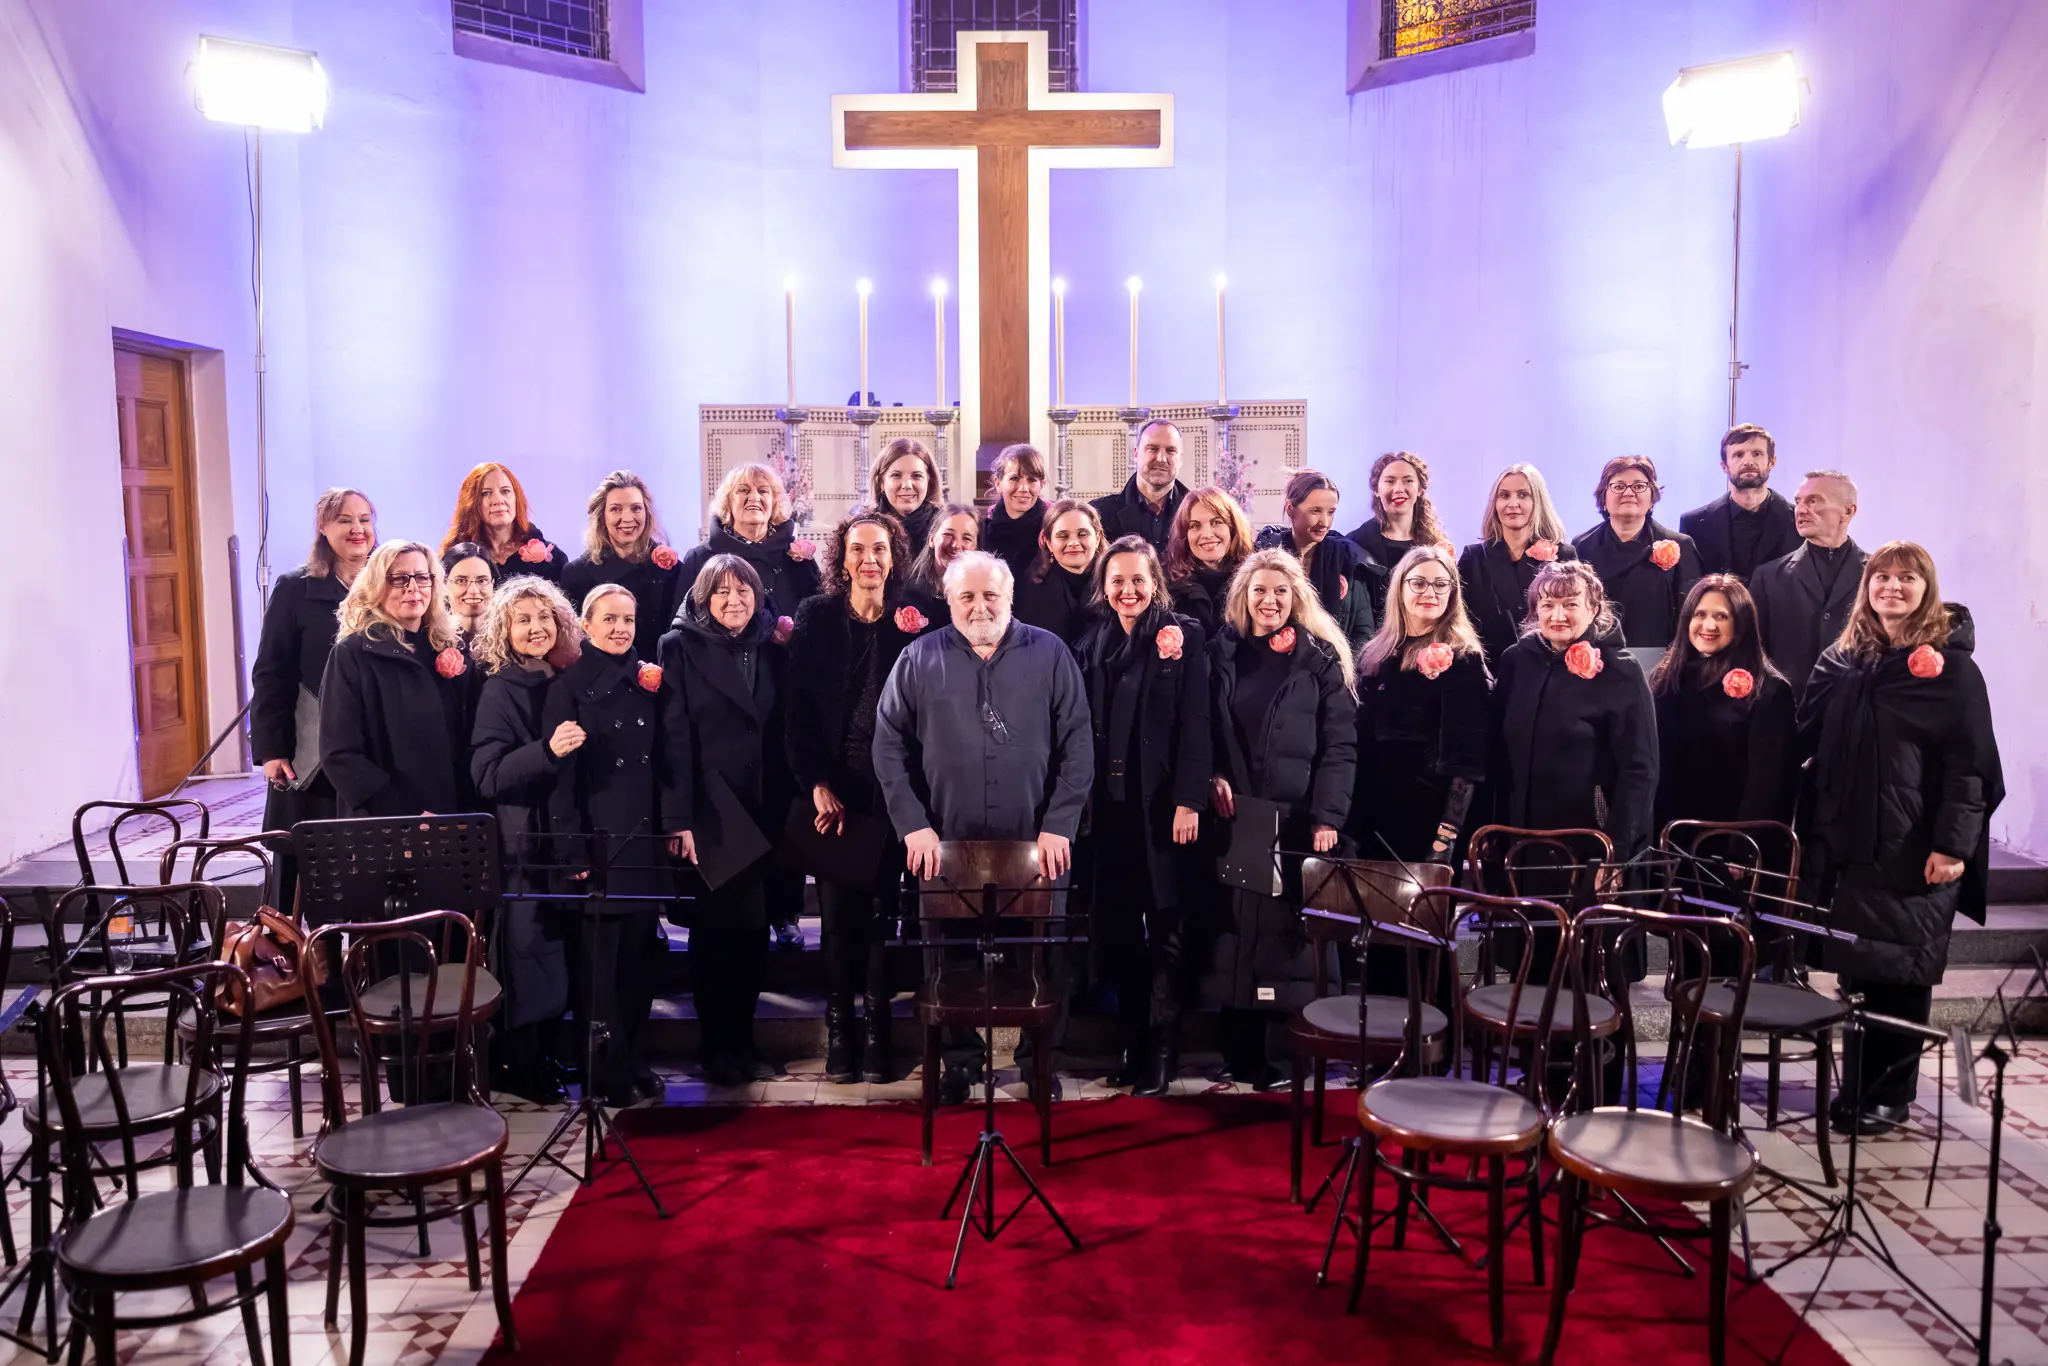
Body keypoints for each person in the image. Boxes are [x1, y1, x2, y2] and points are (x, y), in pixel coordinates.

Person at [871, 551, 1092, 1103]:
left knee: (1041, 957)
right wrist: (912, 825)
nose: (979, 606)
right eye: (966, 596)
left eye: (990, 595)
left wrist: (1060, 823)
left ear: (1009, 597)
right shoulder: (918, 658)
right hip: (946, 844)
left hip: (1036, 843)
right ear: (949, 600)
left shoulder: (1051, 653)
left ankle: (1039, 1061)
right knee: (948, 958)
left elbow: (1079, 743)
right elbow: (887, 743)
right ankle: (960, 1064)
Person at [1801, 542, 2003, 1133]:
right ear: (1866, 588)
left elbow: (1971, 767)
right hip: (1852, 844)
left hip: (1913, 845)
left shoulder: (1951, 670)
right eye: (1881, 577)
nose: (1892, 587)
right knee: (1861, 971)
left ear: (1926, 588)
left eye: (1906, 578)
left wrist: (1954, 845)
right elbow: (1808, 736)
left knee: (1903, 970)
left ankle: (1890, 1093)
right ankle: (1858, 1086)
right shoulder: (1849, 659)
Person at [785, 512, 933, 1084]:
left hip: (893, 789)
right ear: (841, 558)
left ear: (894, 557)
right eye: (857, 549)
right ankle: (840, 1029)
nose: (869, 559)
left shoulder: (917, 615)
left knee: (880, 914)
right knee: (837, 915)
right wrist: (816, 783)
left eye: (879, 549)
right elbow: (797, 712)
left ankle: (877, 1031)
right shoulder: (817, 616)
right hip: (836, 789)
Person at [1203, 549, 1358, 1089]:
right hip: (1236, 819)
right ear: (1242, 596)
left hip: (1296, 822)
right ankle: (1239, 1053)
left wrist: (1328, 815)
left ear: (1296, 598)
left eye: (1280, 592)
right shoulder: (1220, 652)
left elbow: (1340, 746)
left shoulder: (1319, 661)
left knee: (1286, 942)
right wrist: (1211, 776)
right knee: (1235, 937)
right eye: (1259, 591)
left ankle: (1287, 1056)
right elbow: (1202, 730)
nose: (1269, 601)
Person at [1072, 537, 1210, 1095]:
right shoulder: (1092, 643)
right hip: (1110, 813)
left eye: (1138, 580)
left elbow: (1198, 723)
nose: (1128, 591)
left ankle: (1161, 1050)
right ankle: (1132, 1041)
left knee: (1168, 928)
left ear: (1155, 583)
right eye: (1118, 581)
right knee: (1121, 930)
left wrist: (1190, 799)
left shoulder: (1184, 637)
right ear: (1104, 587)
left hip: (1165, 808)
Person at [659, 556, 794, 1089]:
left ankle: (743, 1038)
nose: (734, 600)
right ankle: (715, 1044)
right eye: (721, 591)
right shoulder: (678, 647)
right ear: (702, 598)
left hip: (762, 810)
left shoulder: (772, 645)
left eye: (744, 591)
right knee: (715, 935)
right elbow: (673, 739)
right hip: (711, 810)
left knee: (754, 933)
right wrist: (678, 817)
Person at [543, 583, 678, 1104]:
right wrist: (571, 848)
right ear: (587, 624)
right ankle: (604, 1072)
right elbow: (561, 782)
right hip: (598, 843)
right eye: (610, 619)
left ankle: (634, 1059)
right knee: (599, 971)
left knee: (638, 965)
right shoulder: (569, 686)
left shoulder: (647, 681)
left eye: (629, 619)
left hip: (640, 843)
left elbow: (664, 759)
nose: (621, 629)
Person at [469, 576, 583, 1101]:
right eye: (523, 620)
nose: (537, 628)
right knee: (526, 954)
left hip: (563, 843)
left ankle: (548, 1056)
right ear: (504, 630)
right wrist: (547, 752)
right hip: (522, 846)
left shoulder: (567, 678)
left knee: (556, 954)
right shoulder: (500, 689)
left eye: (545, 618)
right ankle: (520, 1064)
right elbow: (487, 775)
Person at [251, 487, 376, 913]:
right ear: (323, 527)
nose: (357, 529)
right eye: (345, 520)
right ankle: (293, 952)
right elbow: (272, 672)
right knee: (298, 867)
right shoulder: (295, 588)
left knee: (363, 867)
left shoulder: (388, 585)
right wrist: (272, 749)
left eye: (364, 519)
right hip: (309, 752)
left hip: (367, 749)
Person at [1491, 560, 1657, 865]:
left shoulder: (1621, 670)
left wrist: (1616, 853)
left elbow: (1640, 770)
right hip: (1516, 840)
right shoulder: (1516, 661)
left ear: (1593, 609)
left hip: (1589, 845)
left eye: (1570, 604)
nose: (1557, 616)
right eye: (1547, 605)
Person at [318, 541, 482, 823]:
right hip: (385, 821)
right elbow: (340, 755)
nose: (413, 587)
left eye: (421, 577)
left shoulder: (449, 648)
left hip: (450, 814)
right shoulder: (352, 654)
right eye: (399, 578)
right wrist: (407, 813)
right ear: (377, 586)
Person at [1348, 546, 1490, 869]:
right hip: (1372, 817)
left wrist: (1446, 836)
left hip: (1427, 821)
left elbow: (1466, 761)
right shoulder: (1376, 655)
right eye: (1419, 583)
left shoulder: (1463, 659)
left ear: (1452, 593)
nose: (1430, 592)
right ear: (1400, 587)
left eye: (1441, 584)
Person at [1647, 574, 1797, 831]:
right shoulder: (1665, 679)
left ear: (1741, 624)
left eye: (1721, 616)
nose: (1708, 625)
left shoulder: (1769, 690)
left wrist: (1741, 844)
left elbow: (1767, 786)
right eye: (1700, 614)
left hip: (1729, 838)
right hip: (1666, 834)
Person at [1750, 470, 1867, 699]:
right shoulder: (1767, 577)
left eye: (1814, 501)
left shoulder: (1877, 576)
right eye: (1798, 502)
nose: (1801, 510)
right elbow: (1752, 653)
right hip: (1788, 711)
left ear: (1848, 511)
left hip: (1855, 709)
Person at [1571, 456, 1703, 655]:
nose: (1628, 493)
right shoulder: (1582, 546)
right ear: (1603, 498)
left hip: (1659, 659)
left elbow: (1691, 614)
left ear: (1652, 498)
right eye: (1618, 486)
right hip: (1596, 658)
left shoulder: (1680, 545)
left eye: (1639, 486)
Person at [1458, 464, 1579, 668]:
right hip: (1488, 670)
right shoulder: (1473, 557)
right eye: (1504, 495)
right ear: (1495, 504)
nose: (1513, 503)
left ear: (1537, 501)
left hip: (1548, 669)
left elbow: (1575, 618)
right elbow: (1459, 620)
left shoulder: (1563, 555)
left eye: (1523, 495)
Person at [560, 470, 684, 663]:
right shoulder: (577, 574)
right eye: (616, 509)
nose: (627, 518)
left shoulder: (671, 569)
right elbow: (573, 644)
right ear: (602, 516)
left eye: (636, 508)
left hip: (660, 673)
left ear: (647, 513)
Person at [675, 463, 822, 622]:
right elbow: (682, 625)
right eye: (744, 490)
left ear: (774, 502)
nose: (754, 498)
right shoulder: (700, 558)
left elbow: (819, 620)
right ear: (728, 502)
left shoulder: (799, 559)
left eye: (763, 491)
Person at [1255, 470, 1375, 653]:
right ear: (1290, 508)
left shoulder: (1346, 560)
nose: (1324, 522)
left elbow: (1363, 631)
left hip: (1336, 664)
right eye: (1315, 511)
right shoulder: (1265, 561)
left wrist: (1340, 664)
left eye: (1331, 512)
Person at [1678, 424, 1801, 581]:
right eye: (1738, 455)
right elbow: (1689, 587)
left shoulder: (1799, 522)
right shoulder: (1693, 524)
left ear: (1772, 462)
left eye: (1757, 453)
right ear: (1724, 466)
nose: (1748, 461)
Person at [1347, 451, 1451, 622]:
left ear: (1420, 489)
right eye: (1390, 481)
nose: (1399, 489)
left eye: (1408, 481)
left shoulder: (1437, 546)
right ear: (1376, 490)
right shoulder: (1354, 545)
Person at [440, 461, 568, 585]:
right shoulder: (453, 561)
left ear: (517, 498)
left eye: (505, 491)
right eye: (485, 493)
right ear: (470, 503)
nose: (498, 500)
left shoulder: (553, 559)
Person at [1164, 485, 1256, 637]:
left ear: (1232, 527)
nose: (1207, 534)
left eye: (1216, 522)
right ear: (1184, 535)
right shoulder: (1166, 583)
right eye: (1195, 526)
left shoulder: (1257, 576)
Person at [1013, 498, 1105, 645]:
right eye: (1063, 536)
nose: (1073, 543)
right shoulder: (1030, 591)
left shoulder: (1117, 583)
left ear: (1098, 538)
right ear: (1048, 542)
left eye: (1083, 534)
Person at [1091, 419, 1189, 552]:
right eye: (1152, 449)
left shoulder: (1197, 512)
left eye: (1171, 450)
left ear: (1181, 459)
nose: (1161, 458)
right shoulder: (1099, 514)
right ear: (1136, 454)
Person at [981, 443, 1049, 579]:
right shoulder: (983, 531)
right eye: (1014, 479)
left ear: (1041, 485)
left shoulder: (1052, 528)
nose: (1023, 488)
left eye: (1031, 480)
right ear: (998, 483)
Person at [902, 501, 978, 618]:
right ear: (932, 540)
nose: (956, 545)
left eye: (967, 538)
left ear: (975, 547)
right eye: (948, 535)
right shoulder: (908, 596)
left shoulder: (981, 598)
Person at [871, 437, 944, 557]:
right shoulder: (864, 527)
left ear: (929, 482)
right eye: (896, 475)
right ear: (881, 483)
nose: (907, 485)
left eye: (916, 476)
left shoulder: (946, 525)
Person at [442, 542, 494, 644]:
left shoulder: (510, 640)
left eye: (482, 580)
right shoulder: (430, 642)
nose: (473, 591)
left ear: (493, 584)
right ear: (444, 585)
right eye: (461, 581)